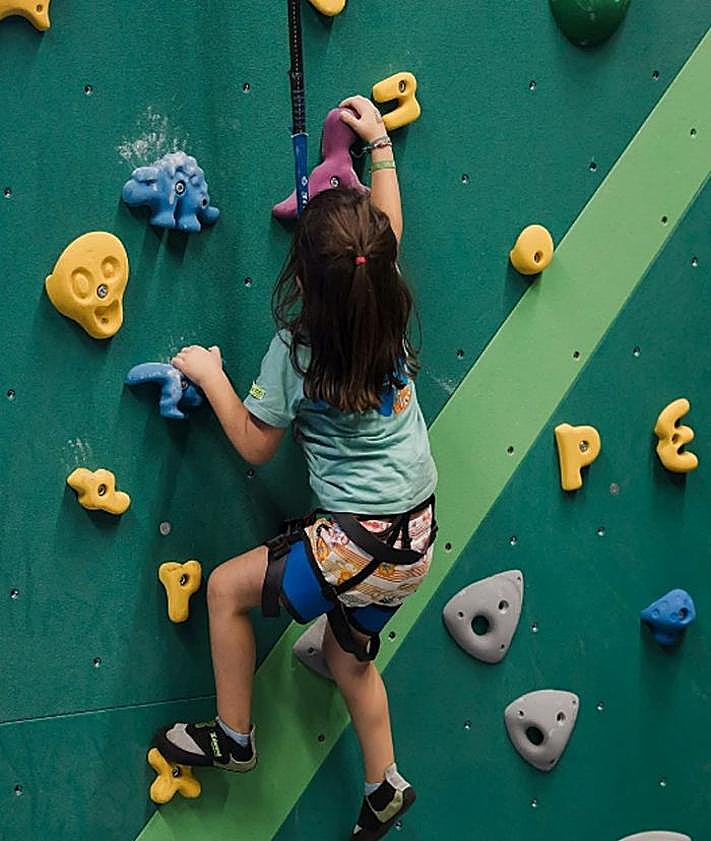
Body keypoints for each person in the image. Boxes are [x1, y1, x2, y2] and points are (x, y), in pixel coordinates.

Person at [153, 95, 438, 841]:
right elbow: (386, 234)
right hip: (414, 539)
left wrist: (208, 373)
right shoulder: (387, 308)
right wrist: (380, 148)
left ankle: (234, 736)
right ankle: (384, 783)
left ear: (304, 283)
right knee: (350, 662)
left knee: (224, 590)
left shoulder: (298, 349)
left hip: (357, 543)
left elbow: (256, 443)